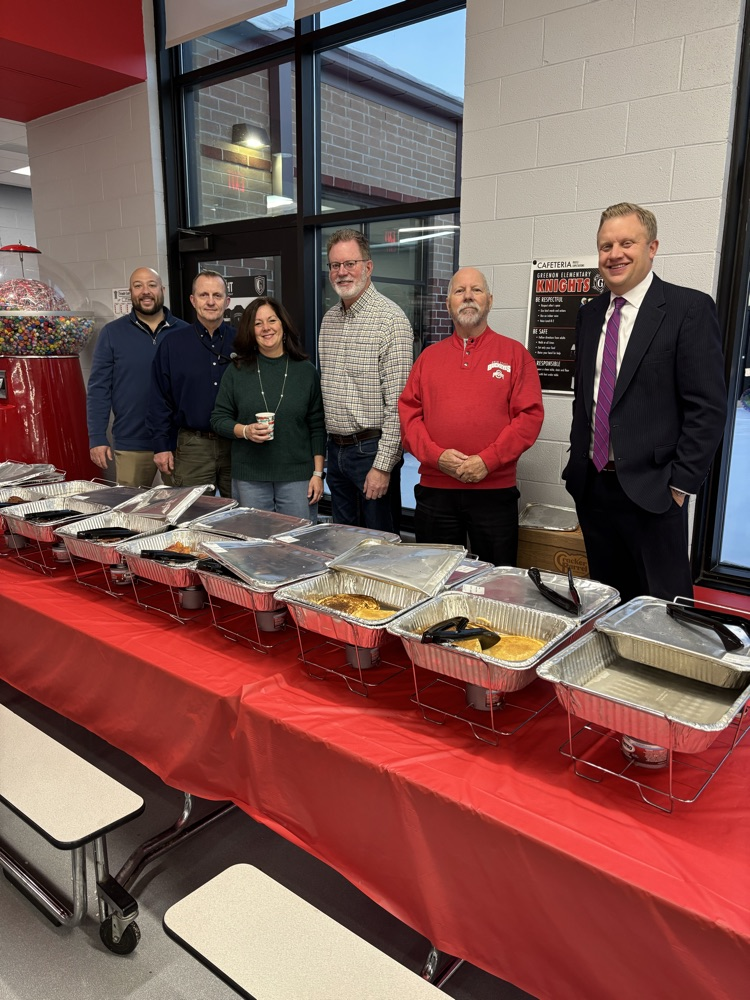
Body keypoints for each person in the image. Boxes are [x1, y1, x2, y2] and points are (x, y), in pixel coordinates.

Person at [563, 202, 727, 603]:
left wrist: (680, 484)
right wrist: (577, 470)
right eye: (605, 246)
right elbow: (586, 397)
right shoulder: (589, 315)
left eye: (626, 243)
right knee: (606, 599)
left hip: (654, 490)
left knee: (663, 607)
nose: (614, 254)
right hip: (594, 487)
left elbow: (707, 407)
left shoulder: (687, 309)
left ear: (652, 247)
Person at [399, 267, 544, 565]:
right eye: (459, 291)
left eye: (476, 290)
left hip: (493, 493)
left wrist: (487, 461)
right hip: (435, 491)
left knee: (496, 580)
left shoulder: (516, 355)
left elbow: (528, 418)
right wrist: (436, 457)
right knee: (434, 576)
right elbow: (409, 418)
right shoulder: (428, 358)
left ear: (489, 300)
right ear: (448, 303)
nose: (468, 297)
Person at [319, 229, 413, 532]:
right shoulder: (328, 321)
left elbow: (399, 405)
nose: (342, 272)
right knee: (342, 541)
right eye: (335, 265)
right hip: (337, 452)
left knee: (379, 547)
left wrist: (383, 466)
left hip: (371, 452)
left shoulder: (391, 320)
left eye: (350, 263)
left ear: (368, 267)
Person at [211, 297, 326, 521]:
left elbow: (317, 426)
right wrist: (245, 431)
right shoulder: (237, 371)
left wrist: (317, 474)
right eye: (258, 323)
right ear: (251, 331)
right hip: (249, 476)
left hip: (297, 476)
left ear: (283, 325)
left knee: (298, 544)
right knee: (254, 545)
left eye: (272, 320)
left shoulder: (306, 371)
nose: (266, 328)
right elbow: (218, 418)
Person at [86, 267, 190, 487]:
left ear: (162, 289)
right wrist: (97, 437)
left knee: (180, 512)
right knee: (130, 514)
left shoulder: (185, 333)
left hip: (178, 443)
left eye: (152, 285)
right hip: (131, 441)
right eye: (138, 286)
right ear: (130, 292)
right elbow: (99, 390)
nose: (146, 291)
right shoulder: (112, 333)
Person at [148, 270, 236, 497]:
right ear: (193, 300)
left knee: (239, 515)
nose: (210, 301)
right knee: (192, 515)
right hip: (192, 445)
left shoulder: (242, 342)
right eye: (204, 294)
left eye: (217, 295)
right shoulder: (173, 344)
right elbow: (159, 398)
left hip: (238, 445)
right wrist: (161, 445)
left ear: (227, 302)